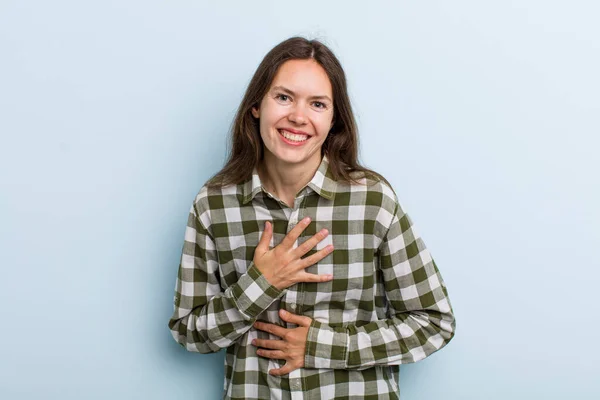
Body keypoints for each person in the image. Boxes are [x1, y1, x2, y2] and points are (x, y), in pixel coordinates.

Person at [167, 36, 456, 400]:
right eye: (283, 97)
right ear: (257, 106)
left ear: (334, 119)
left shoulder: (372, 201)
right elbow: (188, 332)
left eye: (317, 104)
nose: (298, 117)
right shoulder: (214, 204)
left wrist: (321, 345)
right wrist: (261, 283)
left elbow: (432, 323)